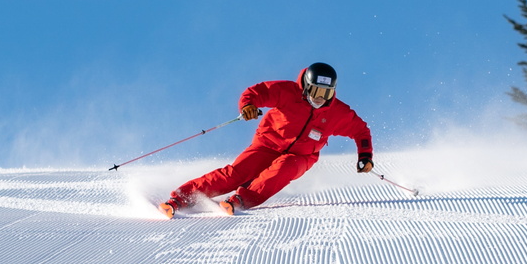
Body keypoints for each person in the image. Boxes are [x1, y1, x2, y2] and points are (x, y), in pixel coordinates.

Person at [159, 62, 373, 218]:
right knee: (236, 174)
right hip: (267, 144)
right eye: (316, 91)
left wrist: (365, 156)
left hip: (301, 156)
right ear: (306, 87)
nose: (320, 98)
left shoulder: (337, 112)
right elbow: (255, 92)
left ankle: (241, 200)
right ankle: (181, 198)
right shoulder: (287, 91)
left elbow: (361, 131)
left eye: (326, 93)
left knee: (282, 170)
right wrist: (248, 106)